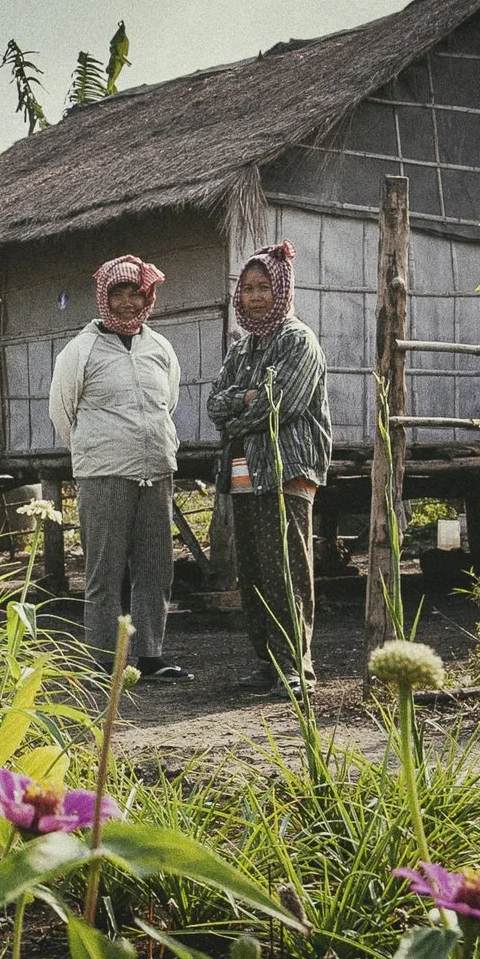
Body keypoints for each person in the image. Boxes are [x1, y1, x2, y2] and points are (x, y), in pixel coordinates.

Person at [49, 254, 190, 682]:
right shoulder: (81, 350)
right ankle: (102, 660)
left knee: (155, 567)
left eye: (136, 293)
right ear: (103, 297)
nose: (127, 303)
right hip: (103, 474)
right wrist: (100, 451)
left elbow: (170, 401)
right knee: (104, 571)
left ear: (147, 297)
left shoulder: (160, 347)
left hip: (156, 471)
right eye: (118, 293)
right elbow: (62, 412)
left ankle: (150, 656)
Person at [208, 242, 330, 698]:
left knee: (287, 569)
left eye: (263, 287)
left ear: (281, 290)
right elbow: (214, 404)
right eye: (247, 288)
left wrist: (242, 405)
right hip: (244, 473)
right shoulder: (242, 350)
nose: (255, 296)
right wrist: (246, 398)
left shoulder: (298, 340)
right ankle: (266, 662)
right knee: (254, 572)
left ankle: (297, 667)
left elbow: (282, 404)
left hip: (287, 469)